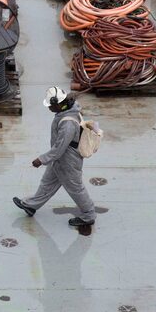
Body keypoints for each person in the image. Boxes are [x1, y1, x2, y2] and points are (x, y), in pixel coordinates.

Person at [13, 86, 96, 228]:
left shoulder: (68, 123)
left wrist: (42, 159)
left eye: (51, 106)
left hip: (69, 160)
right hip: (60, 159)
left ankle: (89, 215)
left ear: (58, 104)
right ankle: (31, 206)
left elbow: (60, 148)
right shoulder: (65, 112)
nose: (49, 108)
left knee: (75, 187)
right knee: (48, 182)